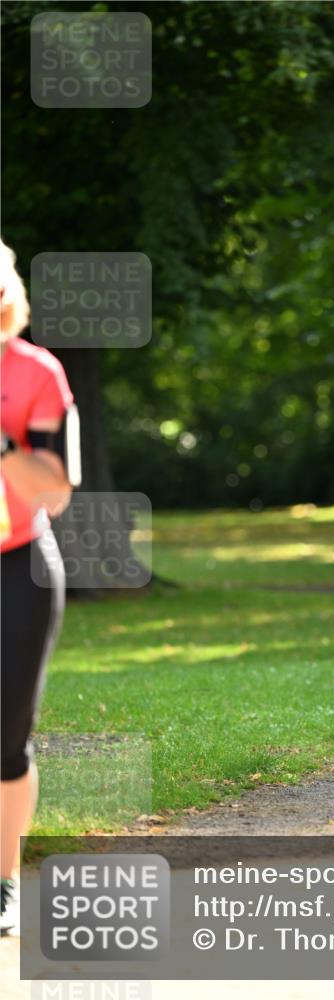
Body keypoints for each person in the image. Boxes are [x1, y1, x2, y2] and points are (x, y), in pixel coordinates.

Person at [0, 239, 77, 934]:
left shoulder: (36, 374)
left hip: (15, 566)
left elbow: (53, 489)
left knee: (5, 737)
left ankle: (2, 883)